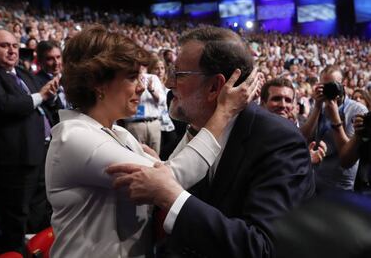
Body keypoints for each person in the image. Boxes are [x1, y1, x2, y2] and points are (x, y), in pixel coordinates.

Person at [45, 24, 261, 258]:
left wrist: (191, 131)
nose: (141, 87)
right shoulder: (75, 138)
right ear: (97, 82)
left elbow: (166, 172)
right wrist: (223, 112)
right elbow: (172, 179)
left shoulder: (120, 134)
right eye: (131, 77)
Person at [107, 26, 315, 258]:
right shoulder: (194, 128)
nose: (168, 83)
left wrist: (171, 194)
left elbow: (261, 247)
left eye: (179, 74)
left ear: (215, 87)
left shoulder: (278, 141)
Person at [0, 27, 58, 256]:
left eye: (14, 45)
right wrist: (41, 96)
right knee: (15, 219)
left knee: (38, 212)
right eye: (4, 45)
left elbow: (43, 100)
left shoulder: (21, 72)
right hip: (12, 160)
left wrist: (49, 95)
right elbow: (3, 106)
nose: (12, 50)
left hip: (38, 152)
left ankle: (34, 251)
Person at [300, 65, 368, 191]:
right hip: (315, 179)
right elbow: (304, 138)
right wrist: (317, 107)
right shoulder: (319, 106)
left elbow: (346, 157)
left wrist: (335, 116)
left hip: (341, 184)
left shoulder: (357, 110)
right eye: (324, 86)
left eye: (333, 85)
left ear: (343, 85)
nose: (329, 90)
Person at [260, 78, 327, 164]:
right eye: (276, 99)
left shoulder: (290, 133)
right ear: (262, 103)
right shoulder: (253, 132)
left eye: (288, 100)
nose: (283, 105)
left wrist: (306, 160)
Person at [35, 40, 70, 126]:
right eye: (50, 59)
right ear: (40, 61)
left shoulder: (70, 76)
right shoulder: (36, 82)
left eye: (58, 57)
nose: (56, 62)